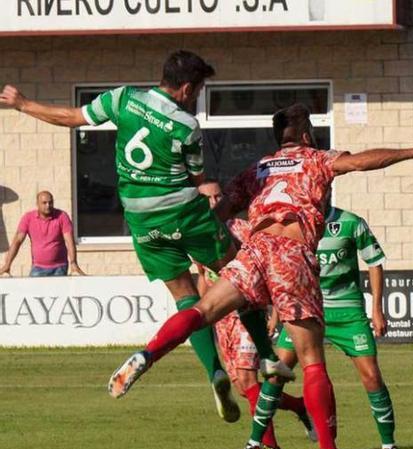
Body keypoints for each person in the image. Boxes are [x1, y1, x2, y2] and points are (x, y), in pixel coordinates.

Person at [108, 103, 413, 449]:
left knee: (203, 309)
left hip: (254, 248)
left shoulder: (257, 169)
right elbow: (362, 161)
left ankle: (147, 355)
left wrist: (190, 242)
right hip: (292, 255)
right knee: (312, 360)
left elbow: (220, 213)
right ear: (308, 134)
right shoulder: (316, 159)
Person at [0, 51, 252, 424]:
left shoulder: (123, 98)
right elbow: (199, 182)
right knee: (245, 273)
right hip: (182, 210)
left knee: (185, 296)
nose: (196, 97)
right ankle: (270, 360)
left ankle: (213, 371)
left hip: (140, 219)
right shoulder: (186, 125)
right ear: (185, 88)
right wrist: (212, 188)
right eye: (198, 91)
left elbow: (71, 118)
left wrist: (22, 104)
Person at [275, 197, 404, 449]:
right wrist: (276, 310)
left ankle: (389, 445)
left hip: (348, 313)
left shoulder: (351, 223)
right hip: (306, 311)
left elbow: (374, 262)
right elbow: (281, 270)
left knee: (371, 376)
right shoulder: (290, 224)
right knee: (275, 373)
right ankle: (259, 444)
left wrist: (376, 308)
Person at [195, 180, 315, 449]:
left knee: (249, 378)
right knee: (240, 383)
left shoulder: (243, 229)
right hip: (222, 319)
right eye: (207, 199)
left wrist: (274, 313)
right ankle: (298, 406)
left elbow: (269, 269)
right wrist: (203, 317)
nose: (214, 204)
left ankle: (265, 445)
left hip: (249, 310)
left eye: (218, 196)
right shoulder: (199, 234)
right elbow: (203, 277)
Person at [0, 191, 85, 277]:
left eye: (50, 202)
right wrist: (8, 264)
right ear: (37, 204)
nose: (48, 205)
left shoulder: (62, 216)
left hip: (60, 268)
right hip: (38, 268)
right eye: (44, 203)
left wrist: (73, 262)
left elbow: (69, 241)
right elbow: (17, 241)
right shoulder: (28, 218)